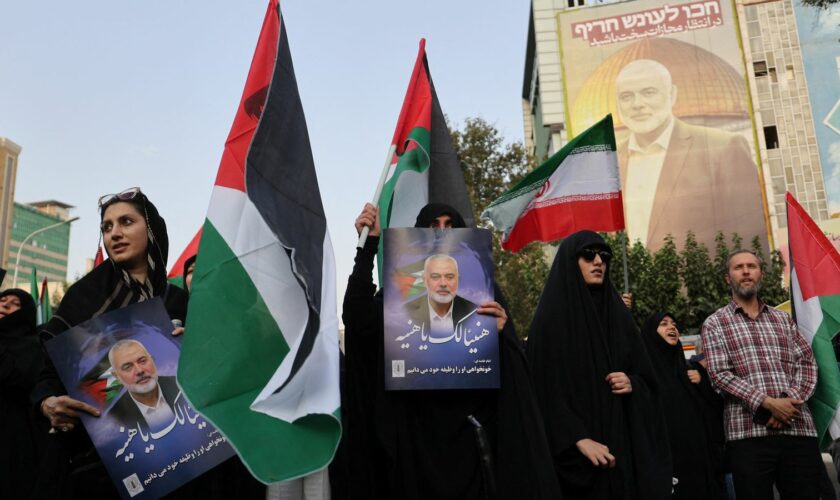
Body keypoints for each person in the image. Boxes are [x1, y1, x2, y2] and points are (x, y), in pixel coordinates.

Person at [340, 202, 560, 499]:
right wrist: (368, 246)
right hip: (414, 443)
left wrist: (500, 336)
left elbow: (513, 383)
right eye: (433, 226)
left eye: (449, 225)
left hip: (470, 447)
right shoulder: (401, 293)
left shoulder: (485, 296)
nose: (442, 232)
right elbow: (358, 321)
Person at [31, 188, 189, 499]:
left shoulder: (179, 301)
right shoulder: (84, 298)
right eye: (106, 226)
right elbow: (47, 374)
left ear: (153, 230)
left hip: (180, 464)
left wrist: (194, 347)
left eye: (126, 222)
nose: (114, 233)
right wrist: (47, 402)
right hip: (99, 471)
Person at [527, 230, 672, 499]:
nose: (598, 262)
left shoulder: (619, 319)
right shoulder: (549, 324)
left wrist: (632, 383)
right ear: (571, 261)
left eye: (604, 256)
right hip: (574, 464)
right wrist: (577, 438)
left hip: (623, 454)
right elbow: (540, 392)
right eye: (588, 255)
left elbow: (650, 381)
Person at [702, 249, 824, 499]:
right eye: (738, 267)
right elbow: (720, 374)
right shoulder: (715, 323)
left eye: (752, 266)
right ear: (728, 278)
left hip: (797, 429)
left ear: (761, 274)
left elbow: (807, 363)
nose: (746, 271)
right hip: (747, 435)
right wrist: (768, 403)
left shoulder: (784, 320)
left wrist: (786, 403)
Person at [615, 59, 767, 253]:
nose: (637, 104)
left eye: (649, 92)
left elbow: (748, 237)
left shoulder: (722, 148)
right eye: (626, 96)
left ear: (672, 95)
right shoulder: (608, 163)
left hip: (702, 281)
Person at [641, 312, 726, 499]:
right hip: (668, 465)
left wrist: (703, 382)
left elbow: (716, 410)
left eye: (674, 324)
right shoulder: (644, 376)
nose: (672, 327)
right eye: (663, 324)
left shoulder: (689, 371)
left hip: (700, 462)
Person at [0, 289, 46, 499]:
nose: (4, 305)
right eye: (1, 301)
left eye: (14, 303)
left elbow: (17, 380)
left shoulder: (34, 347)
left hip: (13, 443)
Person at [107, 339, 179, 433]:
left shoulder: (182, 385)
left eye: (142, 361)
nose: (139, 371)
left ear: (152, 360)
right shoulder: (114, 421)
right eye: (128, 367)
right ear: (117, 376)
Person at [404, 253, 478, 337]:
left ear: (458, 280)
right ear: (425, 280)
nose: (443, 283)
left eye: (450, 277)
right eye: (435, 277)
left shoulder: (474, 313)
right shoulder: (404, 314)